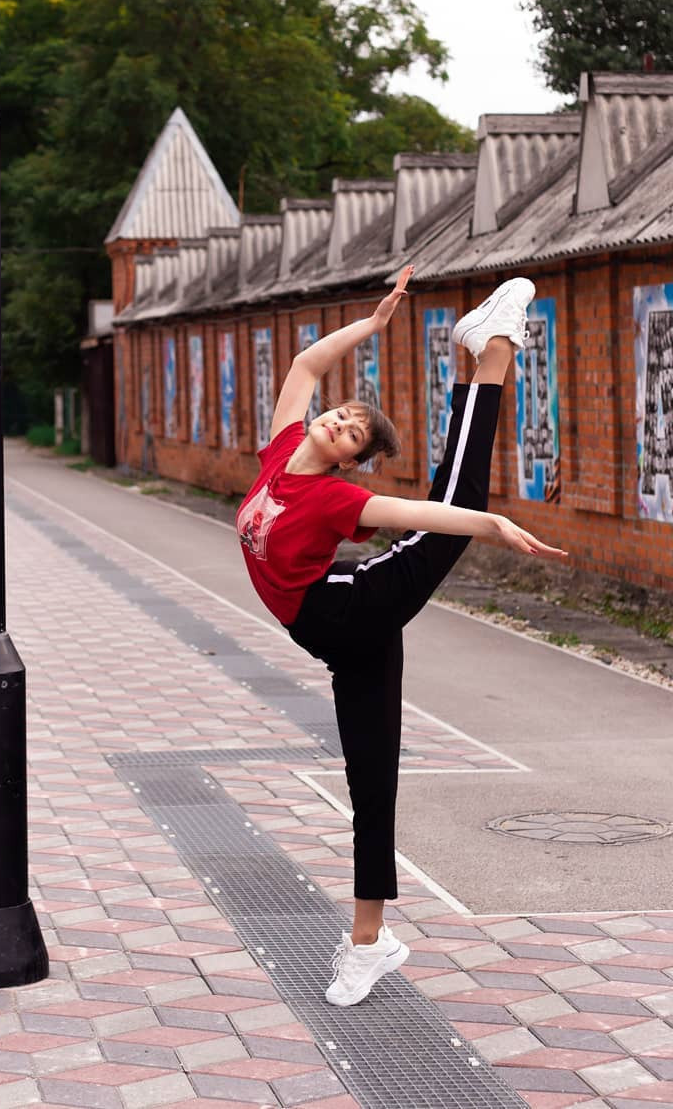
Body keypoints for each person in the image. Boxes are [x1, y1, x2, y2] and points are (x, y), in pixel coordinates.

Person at [236, 269, 568, 1007]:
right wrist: (376, 321)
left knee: (458, 500)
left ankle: (495, 348)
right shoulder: (282, 446)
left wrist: (489, 527)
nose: (337, 422)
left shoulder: (337, 496)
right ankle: (372, 939)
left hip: (355, 609)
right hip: (340, 642)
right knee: (371, 782)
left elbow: (429, 513)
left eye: (352, 431)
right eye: (343, 414)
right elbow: (304, 365)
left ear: (352, 458)